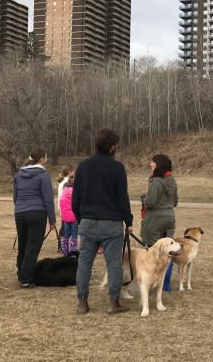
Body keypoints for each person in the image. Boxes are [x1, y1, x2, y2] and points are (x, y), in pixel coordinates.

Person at [73, 129, 133, 315]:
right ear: (112, 147)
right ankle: (113, 302)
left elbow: (76, 197)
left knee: (84, 263)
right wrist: (128, 220)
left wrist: (80, 218)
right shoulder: (117, 168)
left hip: (88, 222)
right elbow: (122, 197)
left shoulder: (83, 166)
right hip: (111, 223)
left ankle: (82, 302)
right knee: (114, 264)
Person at [13, 148, 56, 289]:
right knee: (33, 245)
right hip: (37, 212)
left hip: (20, 212)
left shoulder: (19, 174)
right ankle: (26, 278)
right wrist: (52, 219)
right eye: (46, 157)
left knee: (23, 244)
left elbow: (15, 196)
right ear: (42, 159)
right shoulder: (43, 175)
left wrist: (19, 208)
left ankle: (21, 271)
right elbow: (48, 199)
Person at [140, 154, 178, 247]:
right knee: (166, 249)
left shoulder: (156, 181)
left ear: (158, 164)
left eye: (153, 162)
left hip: (155, 219)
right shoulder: (172, 180)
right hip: (170, 218)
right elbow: (175, 202)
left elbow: (149, 203)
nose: (151, 164)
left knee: (152, 248)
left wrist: (144, 197)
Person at [58, 170, 78, 256]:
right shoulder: (76, 193)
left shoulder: (64, 192)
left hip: (65, 218)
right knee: (74, 235)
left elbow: (61, 203)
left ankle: (65, 250)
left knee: (65, 234)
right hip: (74, 218)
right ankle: (73, 251)